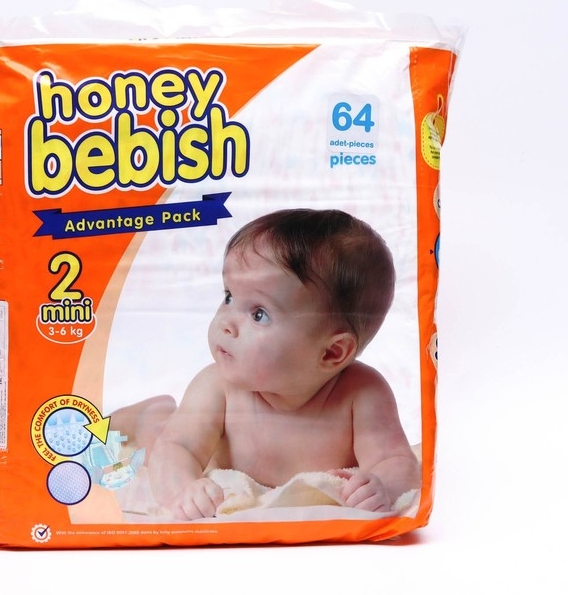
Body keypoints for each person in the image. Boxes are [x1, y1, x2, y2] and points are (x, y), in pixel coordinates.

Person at [111, 209, 420, 520]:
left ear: (331, 353)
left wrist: (381, 488)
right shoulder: (218, 386)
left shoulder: (362, 394)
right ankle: (148, 413)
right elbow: (178, 448)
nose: (226, 322)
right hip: (172, 434)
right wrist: (184, 491)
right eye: (229, 296)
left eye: (259, 314)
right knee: (158, 433)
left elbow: (394, 461)